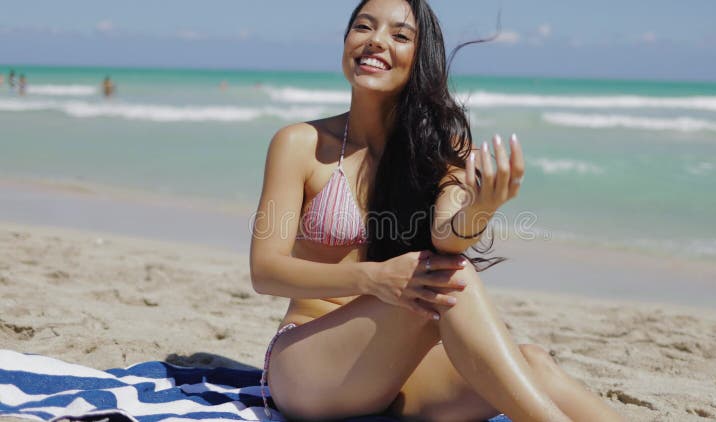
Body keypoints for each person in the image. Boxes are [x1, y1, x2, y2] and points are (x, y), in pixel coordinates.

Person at [249, 0, 623, 420]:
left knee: (534, 362)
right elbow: (265, 272)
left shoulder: (440, 150)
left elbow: (448, 235)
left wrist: (481, 207)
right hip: (309, 365)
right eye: (363, 27)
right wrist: (371, 279)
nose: (376, 41)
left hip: (392, 370)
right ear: (346, 41)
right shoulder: (300, 143)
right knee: (449, 278)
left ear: (420, 58)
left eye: (400, 35)